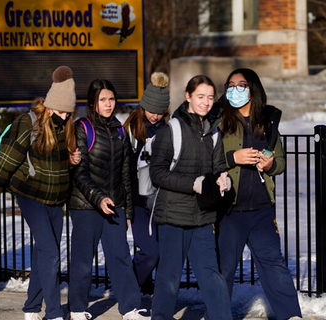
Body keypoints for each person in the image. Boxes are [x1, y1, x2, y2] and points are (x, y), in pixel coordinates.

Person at [0, 66, 80, 320]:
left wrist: (72, 160)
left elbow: (58, 164)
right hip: (30, 195)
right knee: (50, 252)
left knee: (44, 253)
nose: (64, 117)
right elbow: (5, 162)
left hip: (56, 199)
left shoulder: (68, 127)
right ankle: (54, 313)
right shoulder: (27, 123)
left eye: (68, 113)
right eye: (59, 111)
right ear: (49, 105)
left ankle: (31, 308)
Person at [216, 68, 302, 320]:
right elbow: (204, 160)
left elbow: (281, 161)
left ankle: (291, 315)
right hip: (228, 209)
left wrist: (270, 165)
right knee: (224, 269)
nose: (234, 90)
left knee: (273, 264)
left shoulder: (267, 121)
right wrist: (234, 157)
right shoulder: (218, 120)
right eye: (230, 85)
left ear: (252, 89)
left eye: (240, 85)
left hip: (262, 209)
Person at [149, 75, 232, 320]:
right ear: (188, 97)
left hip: (203, 216)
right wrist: (192, 184)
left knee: (210, 274)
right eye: (200, 97)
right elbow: (157, 174)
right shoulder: (171, 129)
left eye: (209, 97)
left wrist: (223, 179)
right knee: (169, 276)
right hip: (173, 215)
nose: (206, 103)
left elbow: (218, 166)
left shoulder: (214, 133)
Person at [68, 79, 148, 320]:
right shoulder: (82, 127)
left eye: (111, 99)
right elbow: (78, 173)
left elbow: (126, 173)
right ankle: (77, 309)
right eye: (103, 100)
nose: (108, 104)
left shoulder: (120, 130)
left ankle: (131, 307)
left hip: (114, 205)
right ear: (93, 102)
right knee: (83, 260)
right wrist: (99, 198)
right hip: (85, 204)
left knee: (120, 256)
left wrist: (128, 213)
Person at [123, 72, 170, 295]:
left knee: (163, 252)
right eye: (151, 110)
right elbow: (122, 169)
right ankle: (130, 288)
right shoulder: (130, 131)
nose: (155, 116)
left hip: (162, 202)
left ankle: (148, 287)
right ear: (143, 107)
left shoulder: (170, 131)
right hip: (138, 202)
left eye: (160, 112)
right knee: (151, 251)